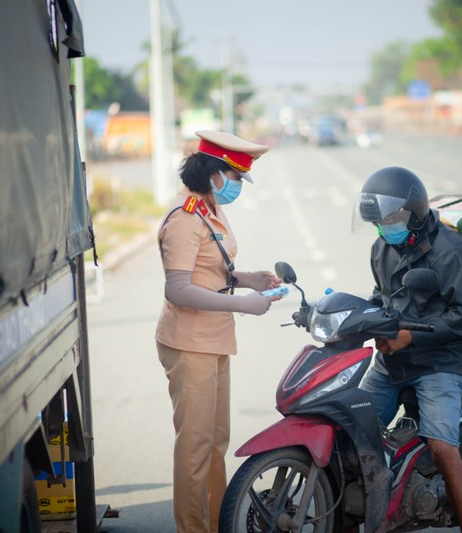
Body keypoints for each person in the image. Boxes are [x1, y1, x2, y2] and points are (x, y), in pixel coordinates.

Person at [155, 130, 282, 533]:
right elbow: (177, 288)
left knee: (215, 445)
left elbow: (210, 270)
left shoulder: (210, 207)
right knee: (195, 449)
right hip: (189, 343)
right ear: (213, 173)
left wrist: (249, 281)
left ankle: (215, 525)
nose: (237, 187)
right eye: (235, 177)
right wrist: (243, 304)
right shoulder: (185, 216)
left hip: (213, 339)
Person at [353, 166, 462, 533]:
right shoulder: (382, 247)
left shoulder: (454, 252)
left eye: (392, 218)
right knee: (350, 428)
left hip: (442, 362)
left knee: (442, 449)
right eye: (379, 221)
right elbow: (382, 295)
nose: (385, 227)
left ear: (414, 212)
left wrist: (411, 337)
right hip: (394, 360)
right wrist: (362, 320)